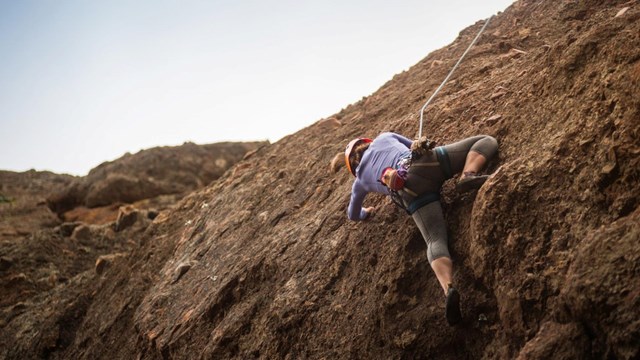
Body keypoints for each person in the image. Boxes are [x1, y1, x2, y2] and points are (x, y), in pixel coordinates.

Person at [336, 132, 498, 325]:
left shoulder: (359, 182)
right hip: (426, 164)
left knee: (435, 239)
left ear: (353, 168)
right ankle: (468, 175)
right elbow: (415, 145)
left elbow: (352, 214)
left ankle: (448, 288)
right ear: (366, 143)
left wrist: (366, 212)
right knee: (485, 141)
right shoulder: (383, 137)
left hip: (409, 190)